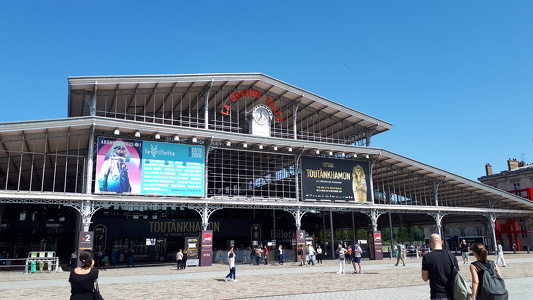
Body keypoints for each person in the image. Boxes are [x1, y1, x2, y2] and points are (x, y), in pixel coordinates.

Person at [421, 233, 459, 300]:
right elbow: (457, 274)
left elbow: (425, 278)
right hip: (453, 293)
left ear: (430, 242)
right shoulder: (451, 256)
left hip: (437, 294)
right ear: (442, 242)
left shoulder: (427, 257)